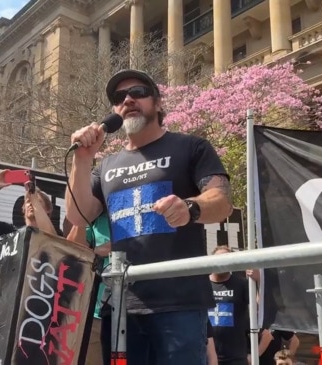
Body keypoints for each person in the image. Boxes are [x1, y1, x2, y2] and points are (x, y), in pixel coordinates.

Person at [65, 69, 233, 364]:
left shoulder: (190, 147)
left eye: (138, 92)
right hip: (120, 304)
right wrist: (82, 159)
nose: (128, 99)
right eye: (119, 97)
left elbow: (222, 200)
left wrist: (190, 208)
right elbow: (79, 215)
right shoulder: (106, 166)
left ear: (157, 103)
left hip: (178, 301)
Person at [66, 213, 111, 365]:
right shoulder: (95, 218)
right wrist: (81, 215)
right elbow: (72, 250)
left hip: (136, 314)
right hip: (95, 317)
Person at [0, 170, 58, 240]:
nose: (31, 203)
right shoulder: (11, 233)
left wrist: (33, 196)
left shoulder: (52, 236)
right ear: (23, 209)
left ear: (48, 210)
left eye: (38, 201)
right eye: (28, 201)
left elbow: (51, 237)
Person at [208, 246, 250, 365]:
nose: (221, 263)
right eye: (218, 259)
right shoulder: (203, 285)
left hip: (235, 357)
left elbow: (258, 308)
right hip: (207, 355)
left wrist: (257, 281)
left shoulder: (242, 284)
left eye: (226, 259)